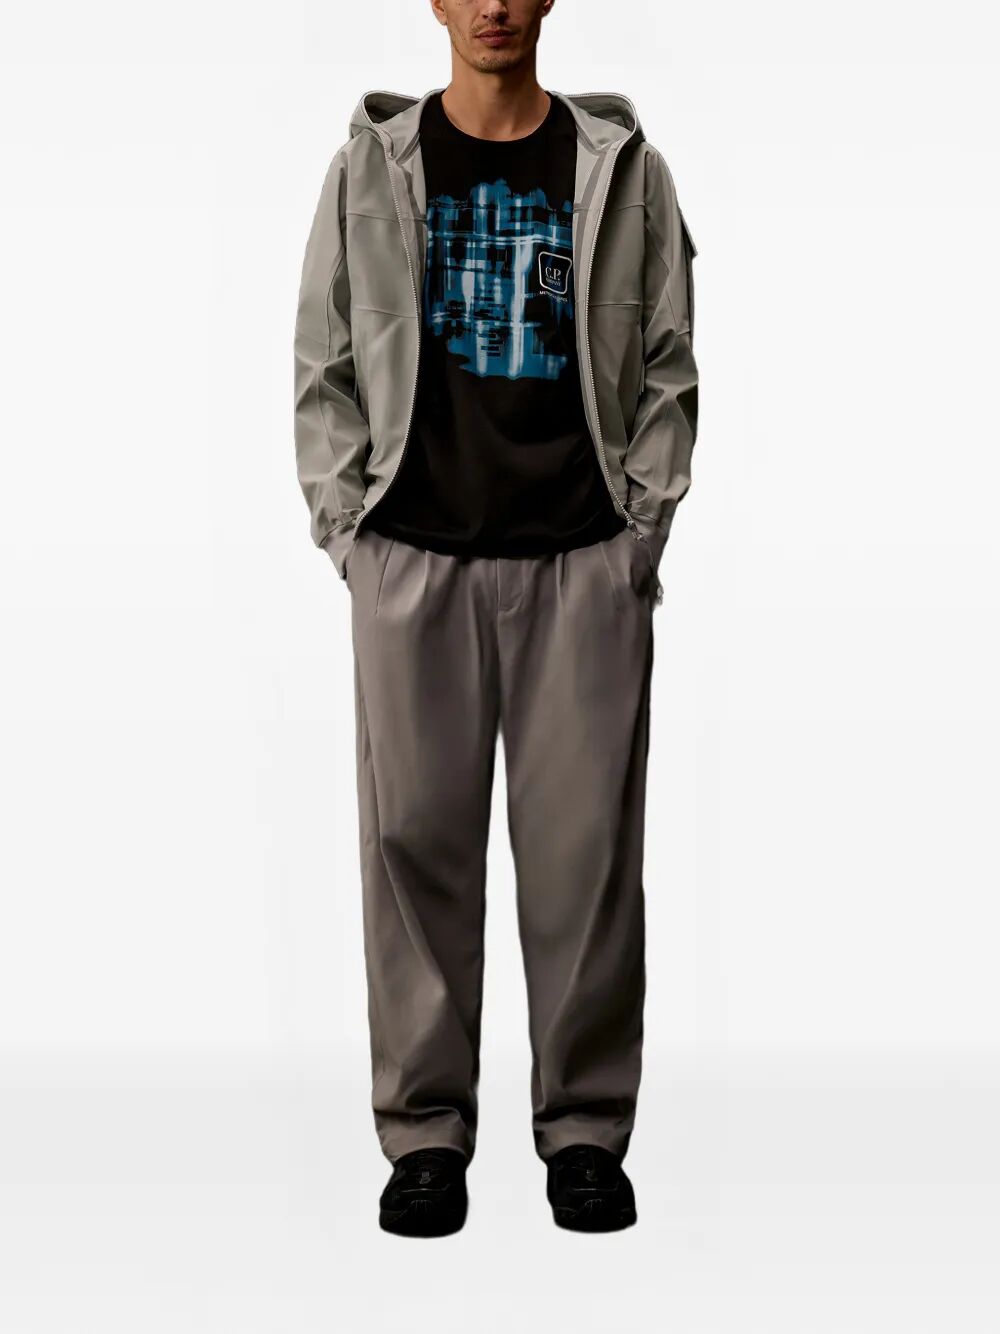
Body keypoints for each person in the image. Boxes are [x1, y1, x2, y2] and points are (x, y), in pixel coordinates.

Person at [293, 0, 698, 1236]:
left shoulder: (620, 167)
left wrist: (638, 530)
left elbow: (670, 359)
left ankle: (583, 1130)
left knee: (588, 865)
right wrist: (349, 532)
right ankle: (425, 1134)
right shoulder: (371, 167)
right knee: (410, 850)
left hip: (582, 561)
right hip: (413, 560)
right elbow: (322, 363)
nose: (494, 6)